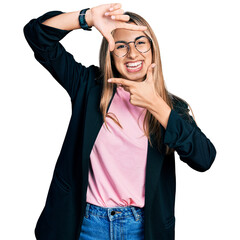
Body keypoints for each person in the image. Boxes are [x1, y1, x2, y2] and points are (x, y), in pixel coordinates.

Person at [23, 3, 217, 240]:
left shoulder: (171, 109)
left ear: (153, 50)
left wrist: (156, 104)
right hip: (85, 224)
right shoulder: (88, 87)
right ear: (110, 52)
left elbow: (204, 159)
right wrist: (89, 18)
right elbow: (37, 35)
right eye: (121, 46)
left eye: (140, 43)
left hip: (141, 228)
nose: (132, 54)